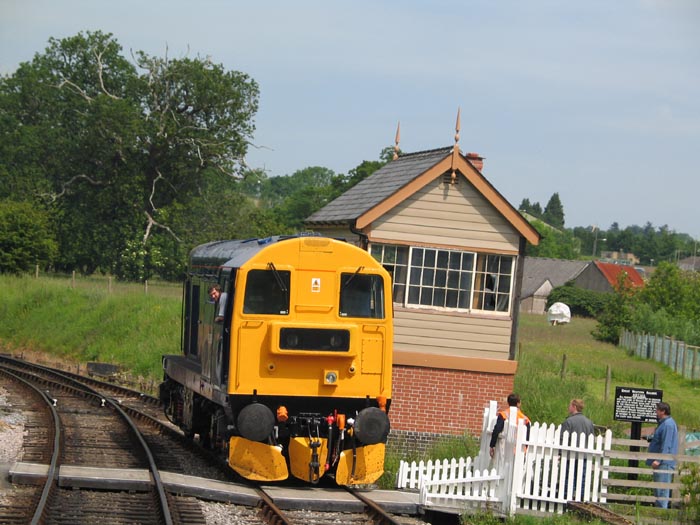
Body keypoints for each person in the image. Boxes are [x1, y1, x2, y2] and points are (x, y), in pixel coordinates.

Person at [560, 399, 595, 500]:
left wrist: (560, 453)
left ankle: (567, 497)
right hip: (584, 455)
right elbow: (591, 438)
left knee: (568, 477)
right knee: (582, 478)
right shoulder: (589, 422)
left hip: (570, 455)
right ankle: (581, 498)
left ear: (574, 407)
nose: (568, 407)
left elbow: (563, 439)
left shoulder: (568, 422)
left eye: (570, 405)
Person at [646, 402, 678, 508]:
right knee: (659, 490)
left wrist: (659, 460)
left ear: (663, 411)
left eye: (657, 410)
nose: (656, 412)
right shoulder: (664, 424)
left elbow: (667, 444)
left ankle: (662, 514)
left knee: (662, 490)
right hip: (662, 461)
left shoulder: (668, 424)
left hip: (664, 463)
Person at [489, 393, 531, 458]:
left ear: (508, 403)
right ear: (518, 404)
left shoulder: (503, 415)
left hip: (505, 448)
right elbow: (527, 437)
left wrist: (492, 445)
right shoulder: (525, 419)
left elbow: (497, 430)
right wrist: (525, 449)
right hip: (520, 450)